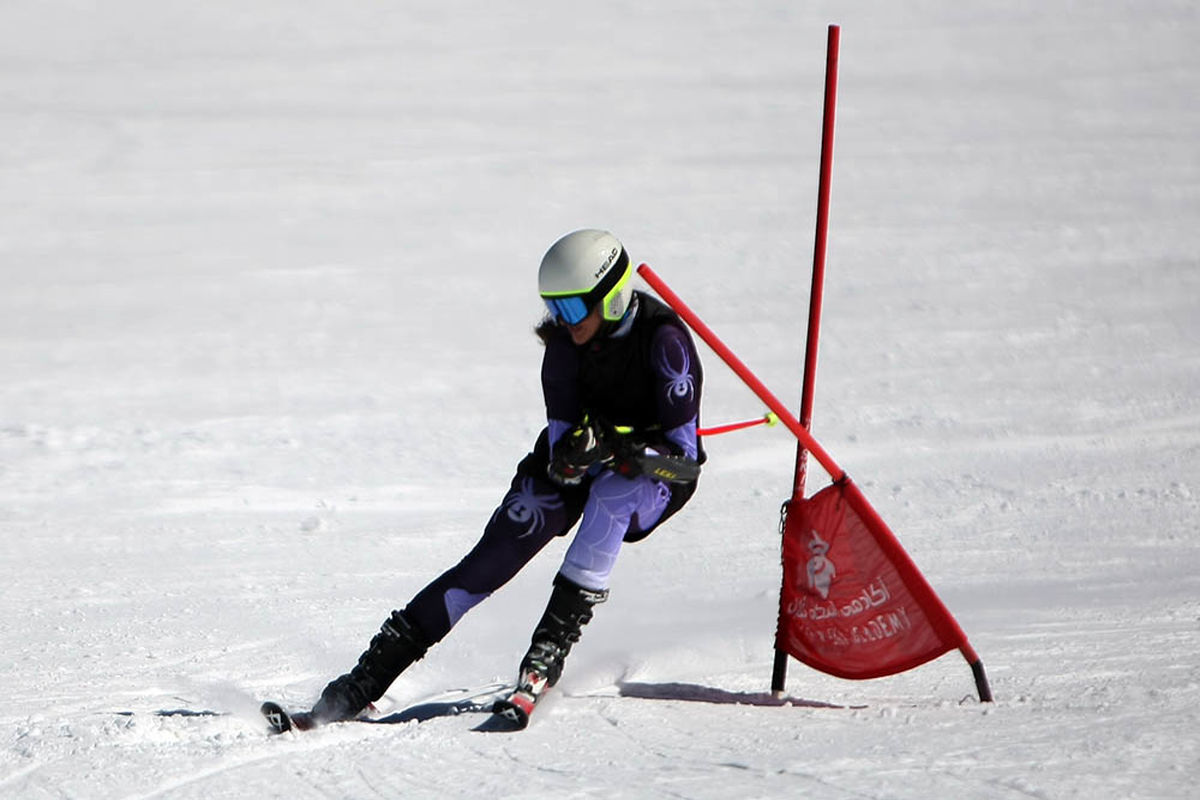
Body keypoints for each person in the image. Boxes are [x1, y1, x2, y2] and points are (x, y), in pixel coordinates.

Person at [306, 229, 705, 725]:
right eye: (556, 308)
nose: (565, 323)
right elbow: (561, 450)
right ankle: (361, 683)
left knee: (612, 494)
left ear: (614, 297)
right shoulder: (563, 347)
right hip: (590, 461)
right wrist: (572, 456)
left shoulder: (665, 343)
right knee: (488, 563)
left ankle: (545, 656)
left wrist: (620, 449)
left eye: (576, 309)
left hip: (653, 476)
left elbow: (684, 463)